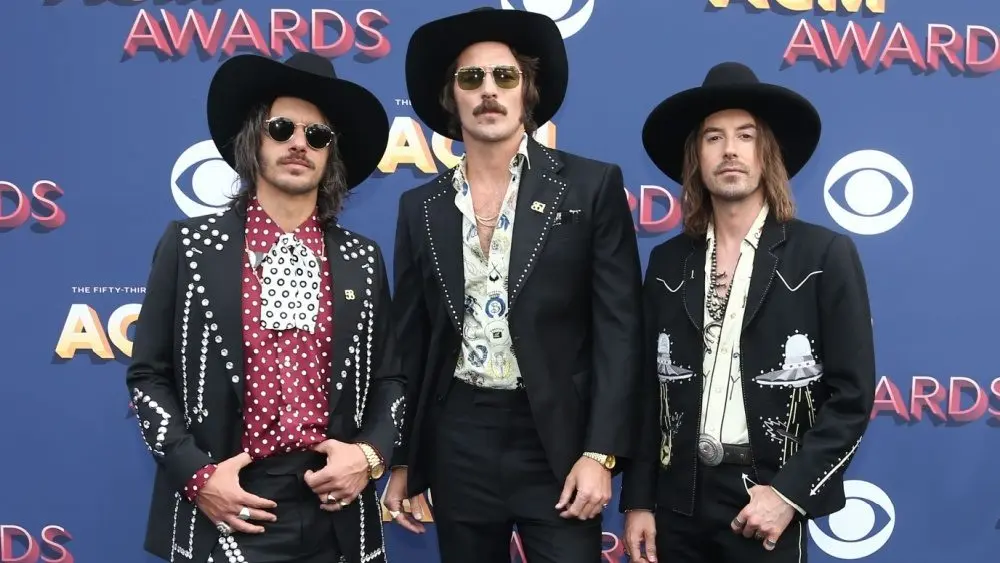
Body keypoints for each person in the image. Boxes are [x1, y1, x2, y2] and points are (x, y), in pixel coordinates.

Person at [381, 6, 644, 562]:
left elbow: (620, 330)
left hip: (557, 439)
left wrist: (600, 453)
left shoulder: (590, 186)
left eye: (505, 76)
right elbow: (409, 342)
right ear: (450, 99)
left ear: (528, 92)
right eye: (470, 78)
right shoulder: (419, 207)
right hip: (459, 438)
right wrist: (403, 458)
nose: (488, 92)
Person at [125, 52, 405, 563]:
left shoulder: (362, 259)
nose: (300, 143)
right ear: (254, 140)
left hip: (334, 506)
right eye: (282, 129)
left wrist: (367, 457)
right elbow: (148, 376)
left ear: (331, 155)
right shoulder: (189, 246)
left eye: (317, 135)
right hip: (227, 502)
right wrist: (198, 477)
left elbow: (391, 379)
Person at [620, 62, 876, 563]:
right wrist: (639, 500)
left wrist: (787, 495)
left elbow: (851, 398)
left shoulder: (823, 256)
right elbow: (647, 392)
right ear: (697, 157)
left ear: (768, 154)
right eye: (714, 138)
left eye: (746, 135)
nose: (730, 150)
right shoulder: (668, 262)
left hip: (766, 498)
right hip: (678, 500)